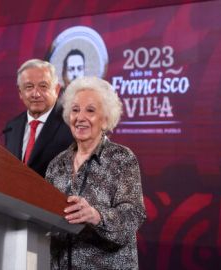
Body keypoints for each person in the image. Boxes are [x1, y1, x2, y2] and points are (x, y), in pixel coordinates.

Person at [45, 76, 146, 269]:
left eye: (90, 110)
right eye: (75, 110)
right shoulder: (56, 165)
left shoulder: (122, 159)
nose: (80, 117)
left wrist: (95, 215)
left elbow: (133, 215)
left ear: (106, 119)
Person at [3, 59, 73, 177]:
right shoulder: (12, 127)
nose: (36, 94)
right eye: (29, 87)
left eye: (43, 86)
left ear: (56, 90)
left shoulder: (70, 124)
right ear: (20, 92)